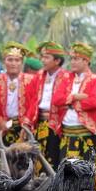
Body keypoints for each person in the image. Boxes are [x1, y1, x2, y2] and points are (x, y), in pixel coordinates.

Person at [50, 43, 96, 175]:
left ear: (86, 60)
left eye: (76, 59)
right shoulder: (65, 78)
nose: (72, 62)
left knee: (88, 173)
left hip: (86, 134)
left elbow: (94, 101)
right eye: (72, 58)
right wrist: (77, 97)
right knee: (67, 174)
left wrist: (70, 101)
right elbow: (56, 100)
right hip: (67, 133)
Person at [0, 41, 37, 145]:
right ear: (4, 62)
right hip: (3, 128)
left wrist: (27, 124)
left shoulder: (32, 80)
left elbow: (35, 104)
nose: (13, 63)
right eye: (10, 60)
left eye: (17, 60)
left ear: (22, 62)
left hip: (24, 127)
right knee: (3, 158)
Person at [32, 41, 67, 169]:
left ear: (57, 61)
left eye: (46, 57)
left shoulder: (67, 77)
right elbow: (33, 101)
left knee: (54, 159)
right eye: (42, 57)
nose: (42, 60)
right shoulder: (39, 76)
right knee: (37, 159)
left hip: (57, 124)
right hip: (40, 122)